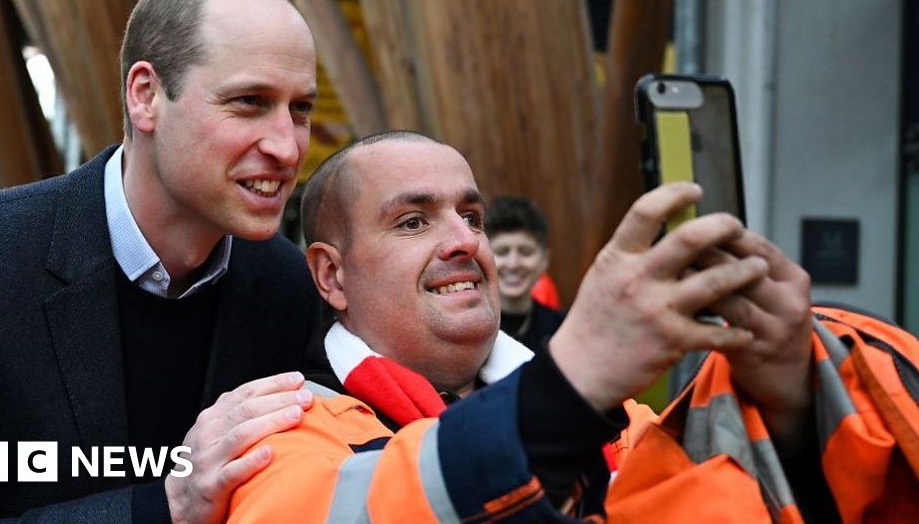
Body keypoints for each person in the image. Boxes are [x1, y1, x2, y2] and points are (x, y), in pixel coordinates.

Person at [222, 131, 919, 522]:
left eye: (472, 216)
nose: (465, 241)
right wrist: (568, 386)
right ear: (331, 276)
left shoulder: (620, 424)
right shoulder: (280, 430)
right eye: (413, 221)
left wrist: (794, 403)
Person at [0, 0, 325, 523]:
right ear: (145, 96)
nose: (288, 148)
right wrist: (166, 503)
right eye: (249, 102)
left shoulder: (288, 287)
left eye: (301, 110)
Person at [486, 196, 564, 351]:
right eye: (502, 252)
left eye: (526, 252)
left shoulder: (562, 330)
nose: (513, 264)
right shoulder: (468, 328)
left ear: (544, 260)